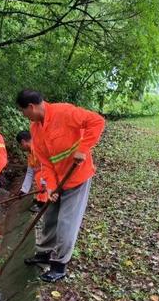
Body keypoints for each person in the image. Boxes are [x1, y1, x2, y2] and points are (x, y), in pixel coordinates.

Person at [16, 89, 105, 282]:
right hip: (57, 178)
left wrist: (83, 148)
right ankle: (44, 253)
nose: (24, 116)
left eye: (23, 111)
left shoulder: (64, 112)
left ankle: (59, 265)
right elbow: (44, 162)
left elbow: (97, 121)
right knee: (50, 217)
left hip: (77, 176)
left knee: (67, 221)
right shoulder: (35, 129)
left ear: (31, 107)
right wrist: (51, 188)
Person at [16, 130, 47, 213]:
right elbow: (30, 173)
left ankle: (43, 202)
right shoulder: (30, 154)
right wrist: (24, 190)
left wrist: (44, 183)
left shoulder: (39, 148)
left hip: (49, 177)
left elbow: (47, 167)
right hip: (43, 178)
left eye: (20, 145)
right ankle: (40, 199)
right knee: (37, 175)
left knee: (40, 175)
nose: (21, 148)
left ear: (23, 142)